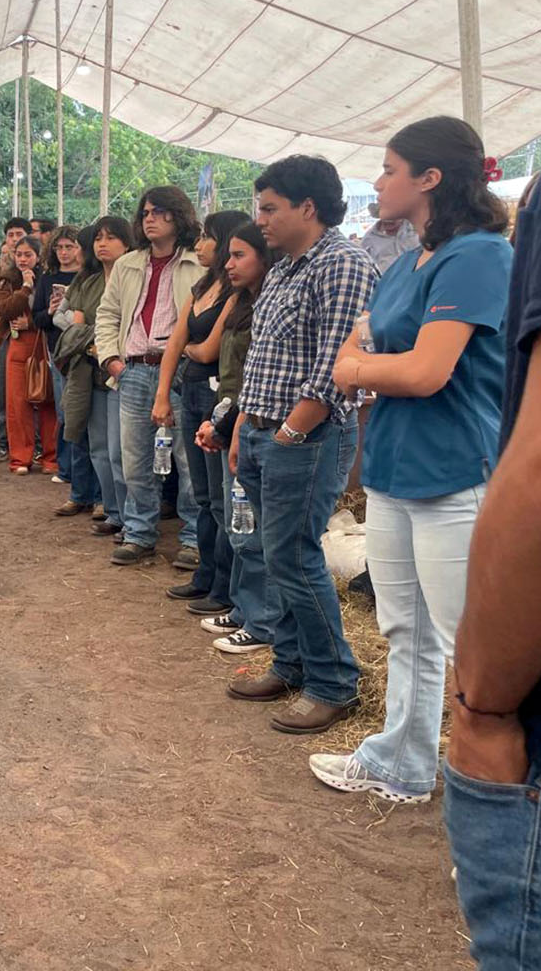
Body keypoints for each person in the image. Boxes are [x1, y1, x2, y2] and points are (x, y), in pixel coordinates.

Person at [304, 116, 512, 804]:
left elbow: (426, 371)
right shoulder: (413, 261)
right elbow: (354, 356)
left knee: (465, 644)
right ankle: (401, 763)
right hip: (394, 469)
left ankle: (495, 791)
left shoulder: (479, 256)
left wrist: (365, 366)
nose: (380, 180)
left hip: (452, 472)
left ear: (430, 178)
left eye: (391, 169)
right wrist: (365, 364)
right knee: (405, 628)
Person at [443, 63, 541, 971]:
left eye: (394, 168)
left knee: (431, 627)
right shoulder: (428, 262)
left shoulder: (476, 258)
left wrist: (481, 705)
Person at [226, 156, 377, 735]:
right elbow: (264, 358)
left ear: (307, 208)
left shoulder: (342, 265)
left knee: (294, 556)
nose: (260, 219)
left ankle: (334, 682)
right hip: (267, 430)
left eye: (270, 208)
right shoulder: (288, 267)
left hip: (307, 436)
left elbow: (333, 370)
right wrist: (245, 425)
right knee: (278, 555)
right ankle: (290, 663)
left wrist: (289, 432)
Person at [95, 186, 206, 567]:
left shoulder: (197, 263)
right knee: (135, 459)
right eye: (145, 213)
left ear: (179, 216)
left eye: (160, 212)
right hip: (133, 370)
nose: (150, 219)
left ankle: (193, 539)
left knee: (187, 458)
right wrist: (112, 360)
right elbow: (107, 313)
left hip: (180, 372)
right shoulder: (128, 264)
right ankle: (139, 532)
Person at [153, 209, 251, 612]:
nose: (200, 244)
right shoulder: (202, 286)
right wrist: (163, 393)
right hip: (190, 391)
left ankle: (223, 587)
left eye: (208, 237)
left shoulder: (236, 293)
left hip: (218, 398)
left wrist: (188, 351)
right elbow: (175, 343)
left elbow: (204, 348)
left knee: (220, 495)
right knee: (203, 493)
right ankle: (206, 576)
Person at [196, 222, 281, 654]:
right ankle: (245, 606)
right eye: (228, 255)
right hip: (232, 415)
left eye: (239, 255)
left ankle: (262, 620)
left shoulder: (270, 303)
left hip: (250, 422)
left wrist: (227, 427)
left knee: (255, 529)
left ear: (265, 259)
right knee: (237, 521)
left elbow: (255, 379)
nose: (228, 264)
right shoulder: (239, 302)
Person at [56, 217, 133, 533]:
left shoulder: (135, 278)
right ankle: (114, 513)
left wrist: (96, 340)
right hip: (91, 377)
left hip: (124, 373)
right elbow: (73, 329)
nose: (102, 243)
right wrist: (95, 342)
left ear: (127, 243)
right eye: (98, 238)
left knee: (123, 454)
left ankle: (132, 519)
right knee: (100, 449)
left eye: (111, 237)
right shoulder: (85, 282)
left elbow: (128, 330)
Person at [0, 236, 58, 474]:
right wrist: (25, 288)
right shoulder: (7, 279)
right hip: (16, 344)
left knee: (46, 400)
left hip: (43, 344)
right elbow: (5, 309)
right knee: (17, 403)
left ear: (38, 256)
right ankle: (20, 458)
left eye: (28, 254)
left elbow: (53, 312)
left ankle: (51, 458)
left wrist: (30, 323)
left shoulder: (49, 279)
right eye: (19, 254)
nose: (22, 259)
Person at [31, 224, 83, 497]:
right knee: (64, 413)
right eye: (59, 247)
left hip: (85, 353)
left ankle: (80, 471)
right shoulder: (47, 279)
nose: (63, 252)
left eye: (69, 247)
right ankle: (65, 468)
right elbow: (36, 319)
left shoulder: (89, 277)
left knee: (81, 414)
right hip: (57, 354)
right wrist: (50, 312)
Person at [0, 217, 31, 464]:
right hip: (3, 338)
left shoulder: (40, 268)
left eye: (19, 234)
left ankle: (34, 444)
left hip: (34, 337)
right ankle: (0, 442)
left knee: (33, 391)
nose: (14, 239)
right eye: (10, 234)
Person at [361, 201, 420, 273]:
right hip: (384, 282)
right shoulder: (369, 239)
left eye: (393, 216)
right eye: (385, 216)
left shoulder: (415, 231)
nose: (388, 220)